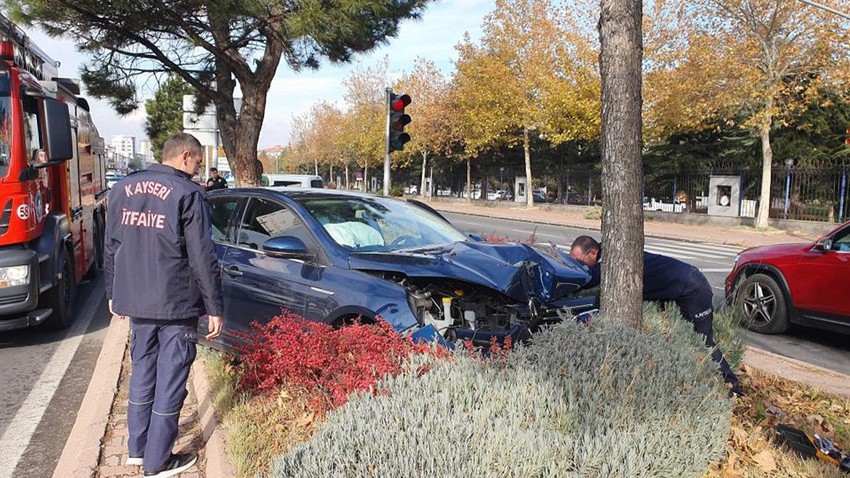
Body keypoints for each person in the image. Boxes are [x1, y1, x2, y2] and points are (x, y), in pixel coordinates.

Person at [105, 133, 224, 477]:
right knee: (171, 378)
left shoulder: (121, 189)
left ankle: (137, 449)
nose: (197, 169)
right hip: (175, 303)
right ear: (186, 156)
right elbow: (202, 255)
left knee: (143, 372)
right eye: (198, 161)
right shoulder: (188, 194)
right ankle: (158, 462)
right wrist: (214, 305)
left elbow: (111, 245)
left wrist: (113, 291)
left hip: (137, 302)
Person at [569, 235, 742, 396]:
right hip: (679, 287)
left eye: (579, 261)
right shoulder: (613, 251)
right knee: (680, 338)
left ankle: (732, 385)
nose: (580, 266)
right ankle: (696, 381)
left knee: (704, 340)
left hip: (693, 288)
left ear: (593, 252)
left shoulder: (613, 259)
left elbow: (587, 279)